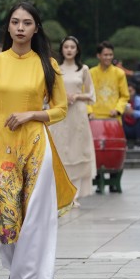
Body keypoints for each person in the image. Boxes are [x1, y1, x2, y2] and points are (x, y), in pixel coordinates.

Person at [0, 2, 77, 279]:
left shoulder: (47, 64)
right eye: (15, 22)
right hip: (3, 149)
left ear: (36, 28)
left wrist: (32, 113)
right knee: (5, 220)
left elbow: (60, 108)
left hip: (37, 146)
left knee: (34, 221)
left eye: (27, 23)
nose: (20, 28)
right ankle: (18, 274)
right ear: (8, 27)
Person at [50, 36, 96, 204]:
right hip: (60, 115)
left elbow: (92, 95)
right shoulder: (56, 68)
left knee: (77, 150)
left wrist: (77, 96)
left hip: (78, 114)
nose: (69, 50)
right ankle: (61, 193)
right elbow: (49, 92)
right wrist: (62, 98)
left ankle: (74, 194)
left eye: (72, 47)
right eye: (66, 47)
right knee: (61, 150)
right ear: (61, 49)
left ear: (77, 50)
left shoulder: (83, 69)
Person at [88, 42, 128, 122]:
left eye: (111, 55)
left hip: (113, 118)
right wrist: (89, 112)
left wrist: (117, 109)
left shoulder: (120, 73)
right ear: (98, 55)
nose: (108, 57)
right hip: (94, 118)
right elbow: (85, 95)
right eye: (105, 55)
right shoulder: (90, 73)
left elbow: (125, 96)